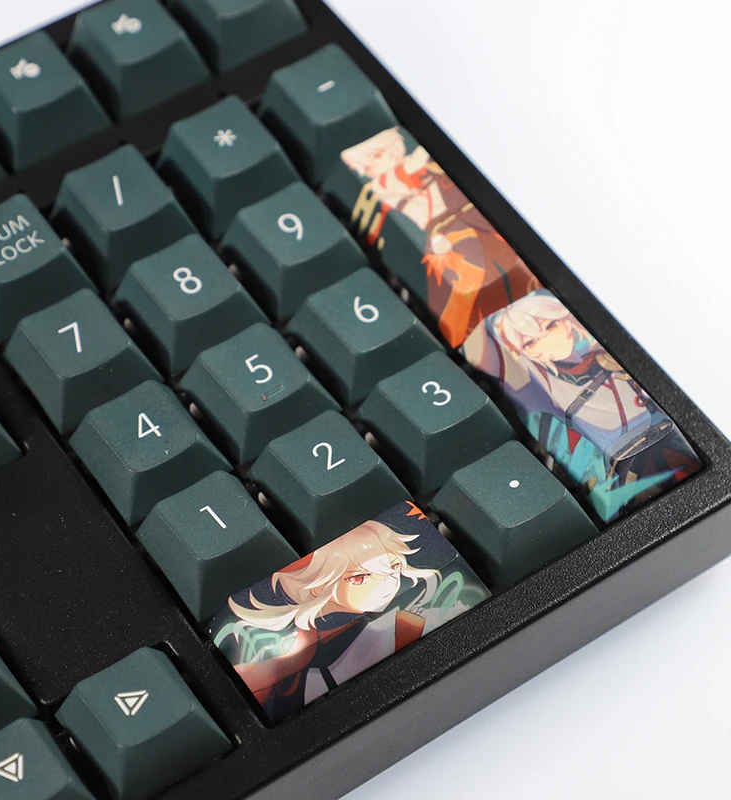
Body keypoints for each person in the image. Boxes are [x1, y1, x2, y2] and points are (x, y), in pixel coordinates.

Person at [463, 290, 701, 520]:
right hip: (622, 490)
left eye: (551, 326)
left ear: (565, 322)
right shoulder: (539, 404)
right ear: (520, 353)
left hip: (672, 457)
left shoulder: (606, 361)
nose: (548, 341)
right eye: (531, 343)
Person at [219, 517, 457, 720]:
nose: (389, 582)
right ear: (318, 587)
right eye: (360, 578)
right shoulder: (293, 646)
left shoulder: (405, 625)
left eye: (394, 567)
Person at [341, 128, 540, 347]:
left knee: (510, 260)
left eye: (388, 148)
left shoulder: (423, 168)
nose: (389, 154)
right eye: (377, 156)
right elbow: (414, 163)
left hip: (472, 217)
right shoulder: (382, 182)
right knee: (469, 278)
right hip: (447, 232)